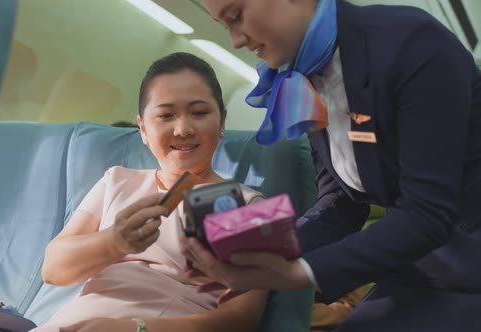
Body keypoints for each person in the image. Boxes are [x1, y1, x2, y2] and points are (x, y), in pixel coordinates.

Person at [182, 0, 481, 331]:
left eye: (236, 16)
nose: (235, 40)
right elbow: (341, 204)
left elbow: (427, 211)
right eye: (225, 26)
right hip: (420, 262)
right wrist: (255, 249)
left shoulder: (410, 43)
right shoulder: (303, 81)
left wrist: (298, 272)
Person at [33, 52, 268, 332]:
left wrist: (135, 329)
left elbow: (242, 319)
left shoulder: (248, 207)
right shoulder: (116, 181)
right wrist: (114, 242)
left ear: (222, 123)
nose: (183, 129)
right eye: (166, 115)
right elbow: (53, 269)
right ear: (143, 129)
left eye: (199, 113)